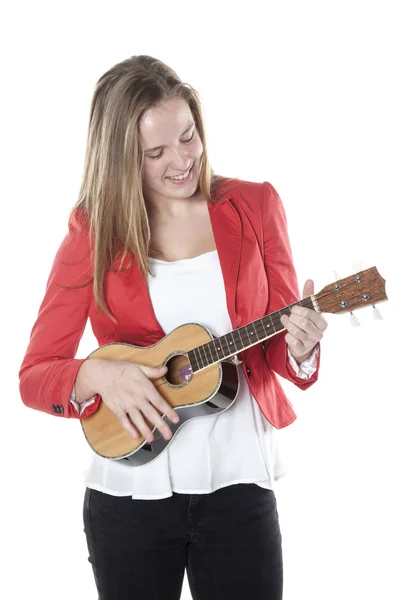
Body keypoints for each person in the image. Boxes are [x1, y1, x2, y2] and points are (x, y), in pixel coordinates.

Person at [18, 54, 328, 600]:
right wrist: (101, 375)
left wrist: (301, 348)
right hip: (130, 493)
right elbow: (36, 373)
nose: (183, 161)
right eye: (155, 153)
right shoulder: (94, 231)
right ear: (120, 161)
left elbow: (279, 346)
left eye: (188, 137)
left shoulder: (255, 205)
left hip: (238, 480)